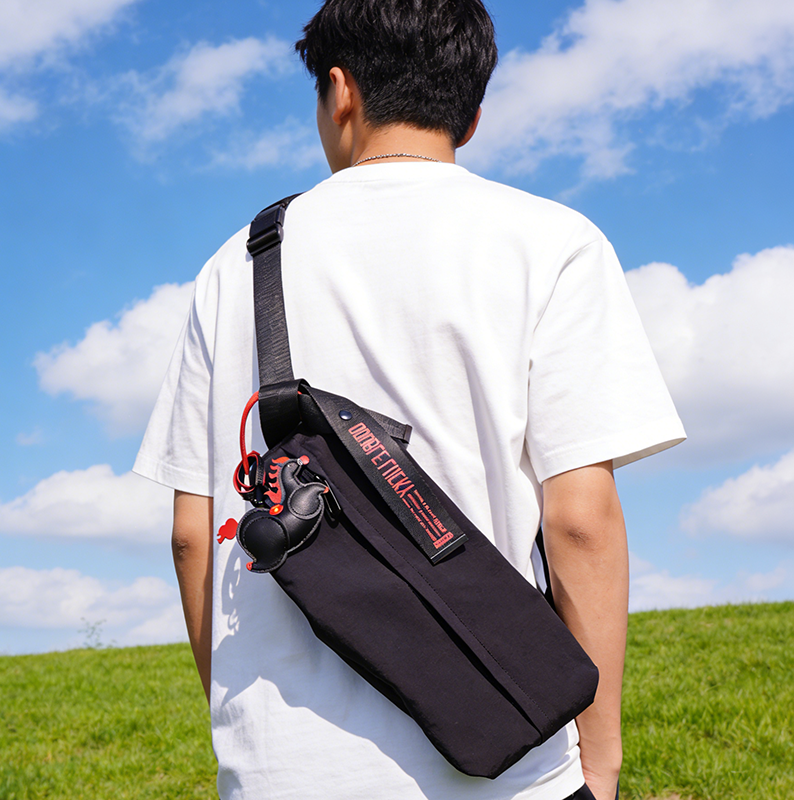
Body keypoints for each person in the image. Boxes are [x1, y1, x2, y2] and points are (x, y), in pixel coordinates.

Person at [134, 1, 686, 798]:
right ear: (473, 114)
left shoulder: (237, 266)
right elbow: (580, 520)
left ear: (339, 90)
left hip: (281, 772)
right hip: (512, 764)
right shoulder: (552, 241)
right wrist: (598, 756)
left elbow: (194, 535)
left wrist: (251, 737)